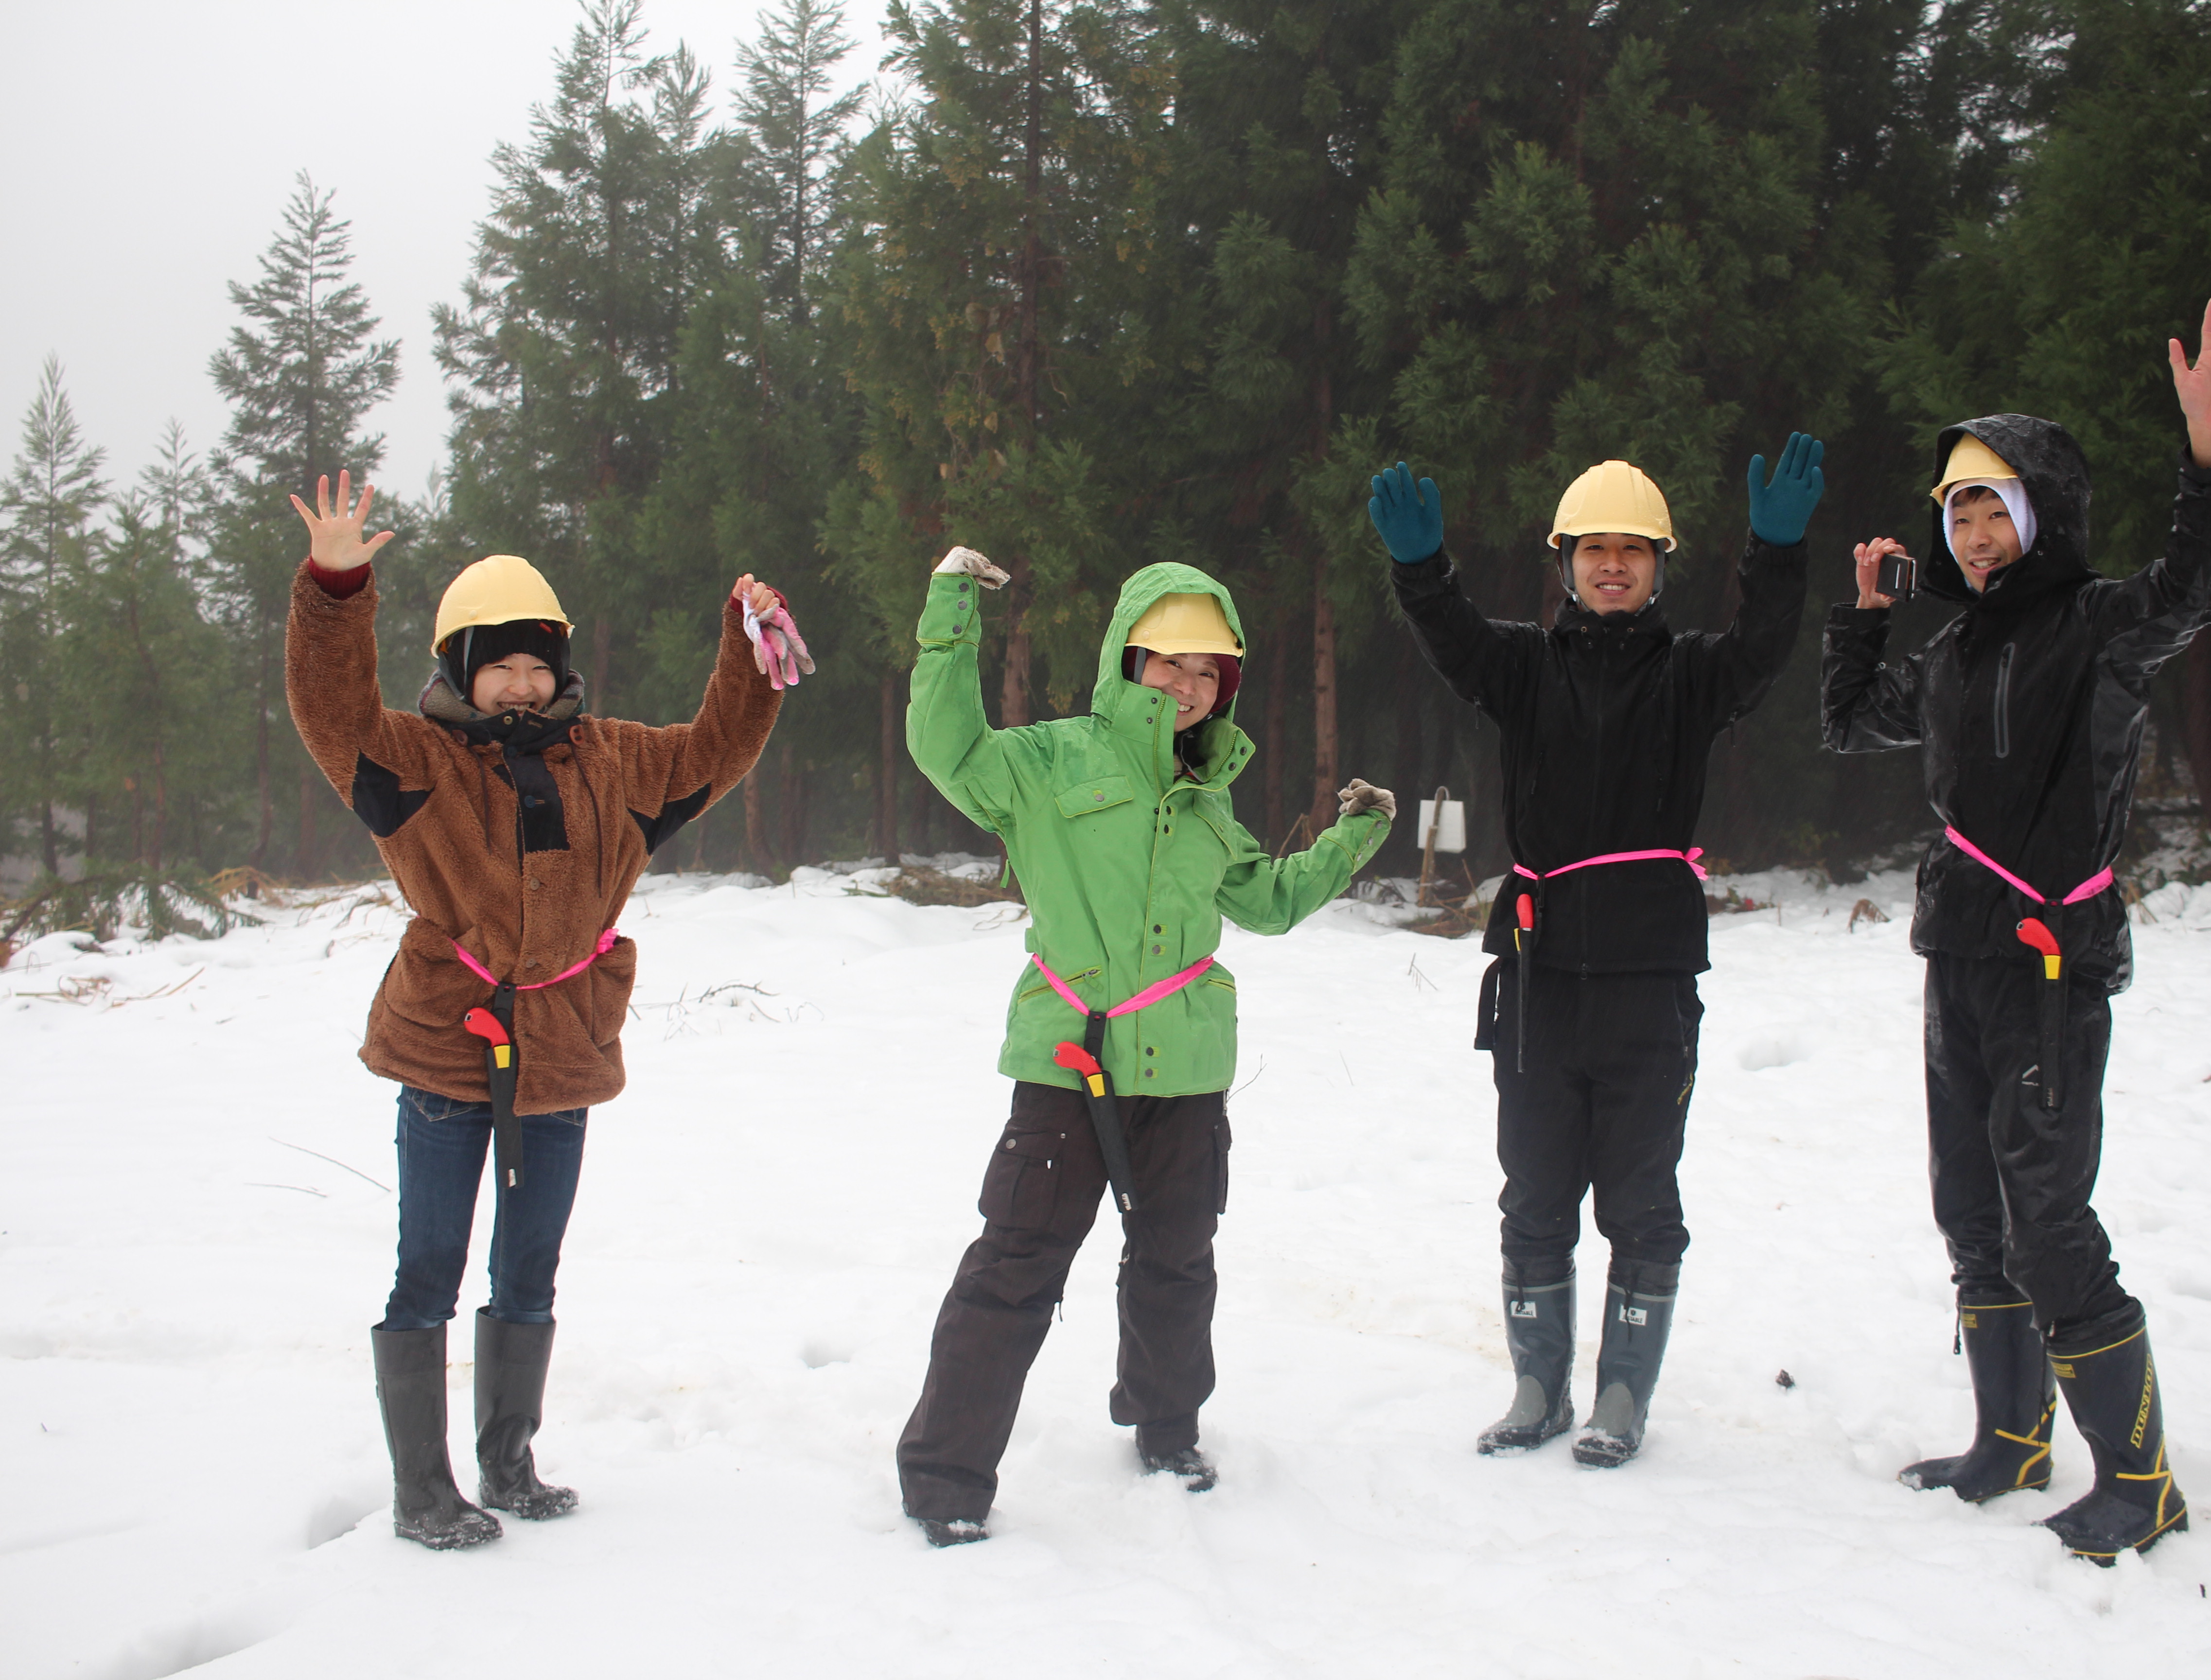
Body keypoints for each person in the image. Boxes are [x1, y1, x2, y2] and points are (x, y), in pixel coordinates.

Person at [1821, 296, 2211, 1562]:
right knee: (1970, 1207)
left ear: (2044, 516)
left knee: (2047, 1216)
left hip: (2049, 964)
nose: (1969, 532)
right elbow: (1854, 723)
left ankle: (2141, 1481)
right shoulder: (1961, 648)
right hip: (1954, 956)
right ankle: (2008, 1441)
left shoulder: (2102, 627)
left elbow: (2199, 584)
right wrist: (1864, 611)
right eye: (1956, 512)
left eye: (1993, 508)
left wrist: (2210, 458)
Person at [286, 473, 802, 1548]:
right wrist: (336, 588)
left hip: (561, 1047)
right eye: (498, 665)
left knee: (530, 1263)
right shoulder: (411, 762)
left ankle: (508, 1461)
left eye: (536, 663)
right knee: (427, 1263)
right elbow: (328, 708)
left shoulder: (614, 762)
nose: (521, 685)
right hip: (446, 1048)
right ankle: (423, 1490)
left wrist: (750, 650)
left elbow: (715, 748)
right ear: (462, 673)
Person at [894, 547, 1393, 1546]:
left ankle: (1166, 1427)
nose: (1190, 686)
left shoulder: (1211, 803)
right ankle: (945, 1476)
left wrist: (1352, 839)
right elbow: (945, 746)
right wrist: (952, 609)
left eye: (1210, 672)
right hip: (1067, 1060)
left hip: (1188, 1072)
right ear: (1129, 658)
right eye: (1171, 662)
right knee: (1016, 1262)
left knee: (1177, 1259)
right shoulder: (1048, 762)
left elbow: (1274, 901)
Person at [1369, 438, 1822, 1465]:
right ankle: (1537, 1383)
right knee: (1533, 1189)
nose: (1611, 565)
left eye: (1633, 549)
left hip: (1649, 980)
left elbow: (1763, 646)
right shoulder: (1524, 668)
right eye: (1592, 549)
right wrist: (1419, 569)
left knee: (1639, 1197)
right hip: (1537, 978)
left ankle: (1622, 1392)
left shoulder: (1694, 675)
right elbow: (1449, 635)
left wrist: (1779, 552)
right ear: (1563, 562)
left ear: (1661, 564)